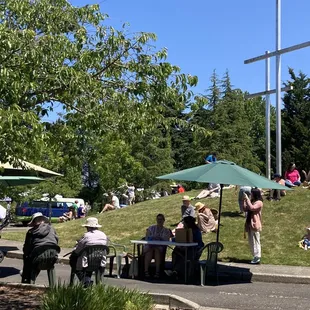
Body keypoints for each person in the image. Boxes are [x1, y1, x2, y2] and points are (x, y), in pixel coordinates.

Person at [21, 212, 59, 283]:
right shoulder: (52, 229)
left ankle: (28, 281)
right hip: (52, 257)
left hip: (38, 257)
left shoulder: (31, 232)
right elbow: (56, 241)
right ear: (43, 220)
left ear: (34, 222)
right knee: (44, 261)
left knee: (30, 259)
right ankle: (53, 286)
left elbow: (27, 248)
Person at [69, 217, 108, 286]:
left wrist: (74, 252)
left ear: (88, 227)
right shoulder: (103, 235)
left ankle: (85, 281)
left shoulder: (86, 236)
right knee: (88, 266)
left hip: (86, 261)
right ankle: (87, 280)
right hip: (100, 261)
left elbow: (78, 250)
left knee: (73, 260)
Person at [169, 216, 204, 280]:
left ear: (188, 223)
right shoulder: (185, 230)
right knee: (175, 251)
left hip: (194, 250)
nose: (183, 224)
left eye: (184, 223)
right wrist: (171, 238)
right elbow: (180, 239)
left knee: (184, 255)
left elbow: (198, 243)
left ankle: (179, 272)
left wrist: (187, 246)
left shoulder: (196, 231)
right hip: (186, 249)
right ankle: (174, 270)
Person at [144, 214, 173, 279]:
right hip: (150, 246)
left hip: (160, 247)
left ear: (164, 220)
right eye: (158, 219)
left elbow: (167, 240)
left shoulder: (166, 230)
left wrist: (160, 238)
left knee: (157, 251)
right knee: (149, 251)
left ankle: (157, 272)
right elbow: (147, 238)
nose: (159, 221)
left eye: (161, 219)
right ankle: (146, 271)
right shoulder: (151, 228)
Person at [243, 188, 263, 264]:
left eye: (252, 193)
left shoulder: (259, 202)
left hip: (255, 224)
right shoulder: (251, 201)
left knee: (256, 240)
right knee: (251, 241)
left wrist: (247, 199)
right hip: (249, 224)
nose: (251, 195)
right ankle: (255, 256)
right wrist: (245, 200)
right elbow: (245, 209)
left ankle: (257, 256)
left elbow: (252, 208)